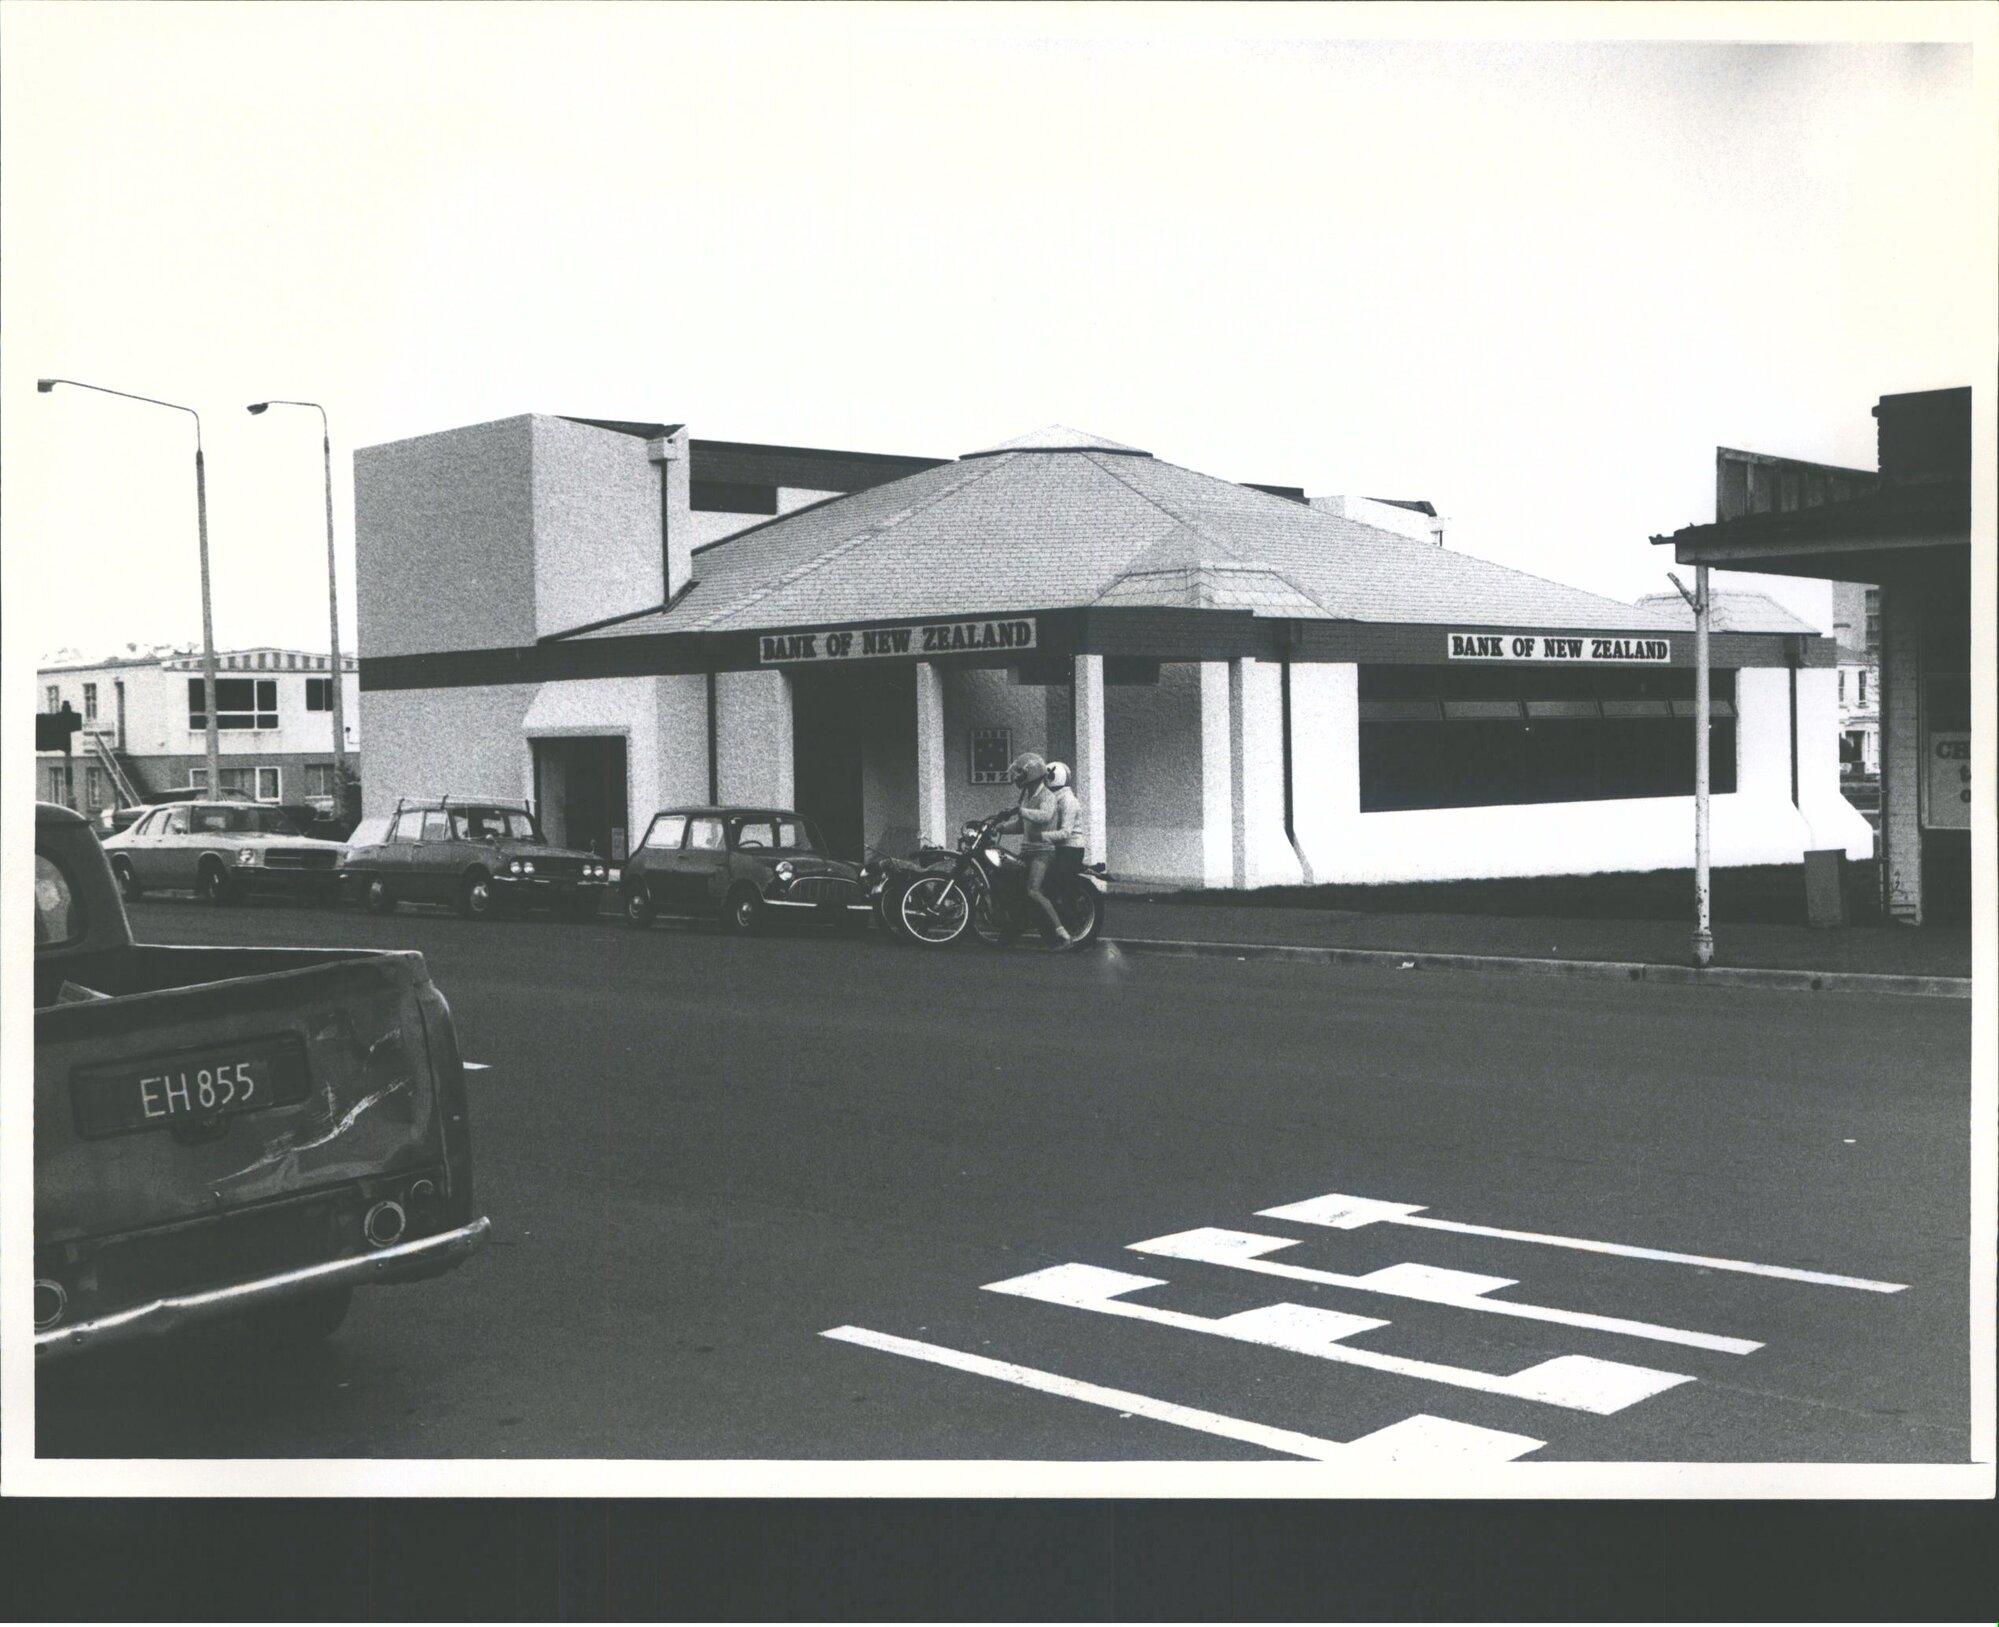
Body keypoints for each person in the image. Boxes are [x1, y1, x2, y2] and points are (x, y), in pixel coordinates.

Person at [993, 752, 1073, 949]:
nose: (1017, 778)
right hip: (1027, 850)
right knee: (1015, 887)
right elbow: (1022, 826)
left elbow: (1044, 816)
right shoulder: (1027, 797)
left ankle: (1062, 933)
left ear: (1031, 774)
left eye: (1020, 773)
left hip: (1043, 851)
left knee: (1033, 891)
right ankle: (1013, 929)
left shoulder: (1048, 796)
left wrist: (1022, 811)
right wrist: (1001, 827)